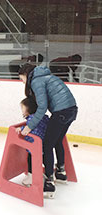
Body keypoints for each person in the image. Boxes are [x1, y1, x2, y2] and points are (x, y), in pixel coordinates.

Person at [18, 63, 78, 199]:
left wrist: (29, 126)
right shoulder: (46, 76)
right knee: (57, 141)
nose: (23, 83)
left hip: (61, 112)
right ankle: (61, 173)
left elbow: (42, 107)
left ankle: (49, 183)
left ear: (27, 75)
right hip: (72, 110)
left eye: (22, 79)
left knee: (47, 144)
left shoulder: (36, 81)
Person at [16, 97, 49, 187]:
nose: (22, 110)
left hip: (34, 145)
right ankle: (42, 174)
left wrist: (21, 129)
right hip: (44, 143)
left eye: (23, 108)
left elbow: (30, 128)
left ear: (29, 109)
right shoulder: (43, 117)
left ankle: (32, 176)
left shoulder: (32, 119)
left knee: (31, 160)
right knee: (40, 159)